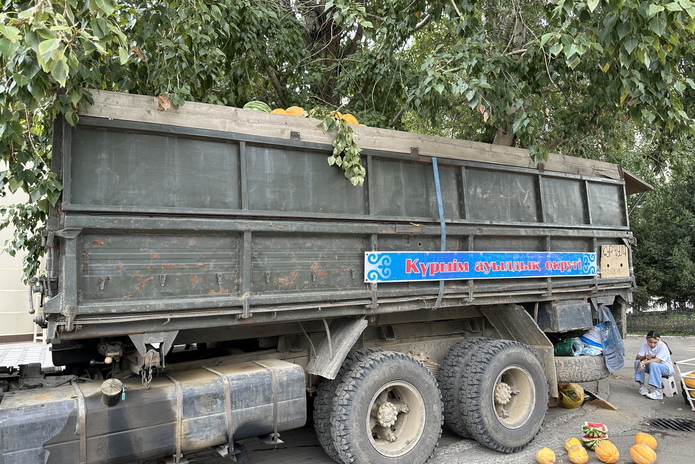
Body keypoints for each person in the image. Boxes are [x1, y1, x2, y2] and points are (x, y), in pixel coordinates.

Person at [634, 330, 673, 400]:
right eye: (650, 342)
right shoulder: (644, 345)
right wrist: (645, 357)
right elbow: (638, 357)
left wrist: (643, 362)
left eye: (655, 343)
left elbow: (658, 360)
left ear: (658, 341)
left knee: (653, 364)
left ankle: (659, 391)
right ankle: (642, 387)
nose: (652, 345)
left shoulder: (663, 346)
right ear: (646, 339)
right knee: (637, 362)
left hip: (666, 368)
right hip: (653, 367)